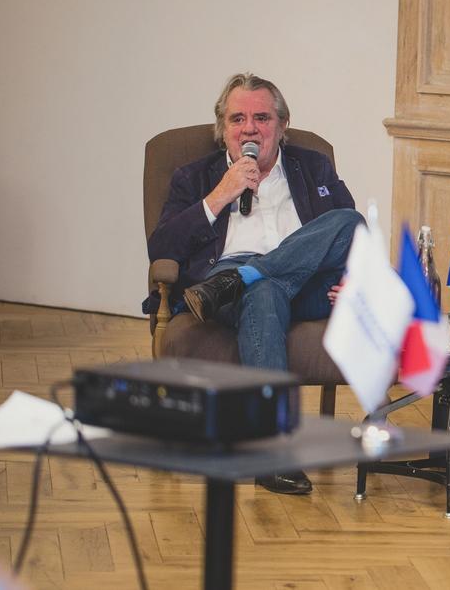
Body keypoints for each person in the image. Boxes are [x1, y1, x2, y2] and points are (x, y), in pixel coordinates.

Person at [144, 73, 361, 495]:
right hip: (223, 281)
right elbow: (163, 246)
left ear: (282, 125)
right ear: (222, 128)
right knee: (263, 291)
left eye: (262, 118)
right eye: (237, 119)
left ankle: (246, 277)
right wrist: (219, 197)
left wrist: (356, 276)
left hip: (305, 282)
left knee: (349, 221)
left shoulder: (313, 166)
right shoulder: (195, 177)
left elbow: (349, 234)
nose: (249, 129)